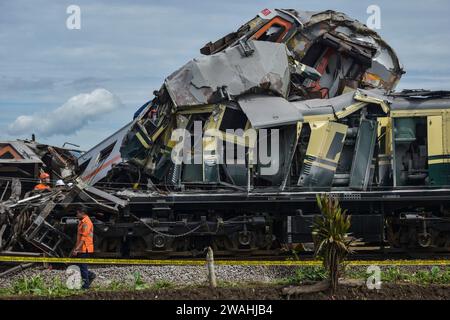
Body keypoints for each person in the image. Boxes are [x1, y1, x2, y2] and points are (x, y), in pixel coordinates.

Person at [72, 206, 96, 289]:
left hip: (85, 248)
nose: (76, 214)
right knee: (80, 266)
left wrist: (77, 249)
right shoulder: (82, 222)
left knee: (83, 267)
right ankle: (91, 275)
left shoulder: (86, 222)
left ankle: (86, 286)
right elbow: (79, 238)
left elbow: (83, 238)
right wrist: (76, 248)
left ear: (82, 213)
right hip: (81, 248)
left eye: (77, 213)